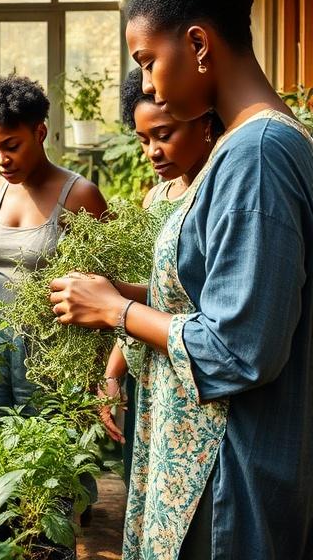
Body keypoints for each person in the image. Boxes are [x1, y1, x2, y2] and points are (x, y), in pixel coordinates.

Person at [49, 0, 313, 560]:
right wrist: (125, 294)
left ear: (197, 44)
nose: (145, 84)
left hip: (229, 488)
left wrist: (118, 310)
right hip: (205, 469)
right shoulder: (244, 151)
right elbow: (218, 295)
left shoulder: (259, 155)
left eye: (146, 60)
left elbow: (241, 349)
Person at [0, 74, 106, 414]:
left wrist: (98, 371)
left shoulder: (80, 195)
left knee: (47, 445)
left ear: (40, 133)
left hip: (48, 348)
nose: (1, 159)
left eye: (11, 145)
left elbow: (103, 286)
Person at [99, 67, 218, 478]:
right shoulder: (156, 198)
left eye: (164, 135)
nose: (152, 151)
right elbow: (148, 296)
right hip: (145, 365)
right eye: (144, 139)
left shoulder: (215, 192)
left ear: (203, 121)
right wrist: (114, 372)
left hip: (194, 374)